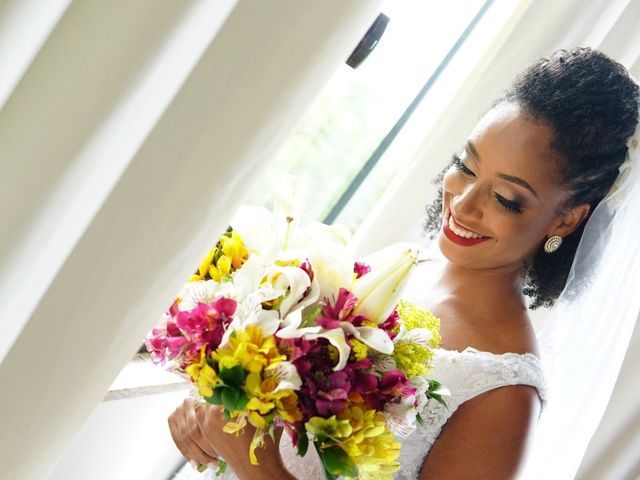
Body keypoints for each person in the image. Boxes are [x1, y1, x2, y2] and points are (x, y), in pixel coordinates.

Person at [167, 47, 640, 479]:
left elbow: (260, 454)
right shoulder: (393, 270)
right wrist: (209, 406)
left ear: (567, 219)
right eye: (466, 166)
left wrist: (258, 465)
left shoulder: (504, 394)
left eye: (505, 198)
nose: (464, 202)